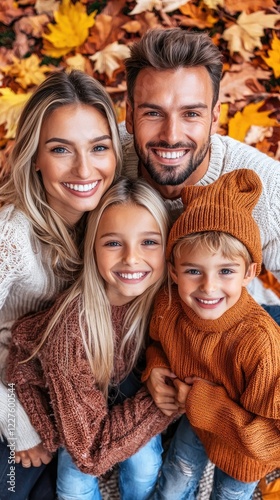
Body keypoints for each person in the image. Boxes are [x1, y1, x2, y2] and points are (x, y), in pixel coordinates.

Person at [7, 177, 175, 500]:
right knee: (69, 483)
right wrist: (162, 403)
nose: (131, 258)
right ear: (93, 247)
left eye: (149, 242)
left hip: (112, 388)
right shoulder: (71, 331)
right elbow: (89, 453)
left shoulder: (167, 301)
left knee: (143, 465)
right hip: (62, 401)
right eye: (113, 243)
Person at [0, 69, 122, 500]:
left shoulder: (113, 216)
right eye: (60, 150)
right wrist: (16, 423)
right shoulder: (11, 238)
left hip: (70, 382)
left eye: (98, 148)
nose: (85, 168)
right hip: (11, 384)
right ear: (34, 156)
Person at [120, 27, 280, 323]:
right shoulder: (99, 161)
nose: (171, 136)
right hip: (136, 329)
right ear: (129, 115)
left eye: (191, 114)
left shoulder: (264, 183)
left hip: (235, 326)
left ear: (215, 116)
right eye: (153, 113)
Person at [142, 169, 280, 499]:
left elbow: (274, 437)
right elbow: (159, 341)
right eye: (193, 271)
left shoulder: (260, 343)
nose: (208, 287)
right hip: (195, 417)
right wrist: (154, 366)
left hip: (244, 449)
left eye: (226, 271)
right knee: (176, 477)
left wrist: (208, 406)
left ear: (249, 272)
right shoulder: (169, 303)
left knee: (228, 494)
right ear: (173, 271)